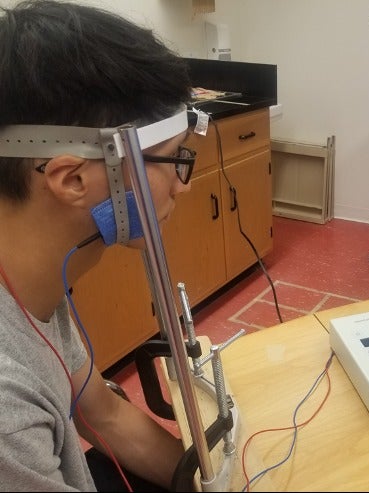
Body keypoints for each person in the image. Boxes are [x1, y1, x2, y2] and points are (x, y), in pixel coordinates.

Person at [0, 1, 197, 490]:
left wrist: (218, 482)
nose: (183, 184)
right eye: (171, 160)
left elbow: (104, 414)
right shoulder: (7, 408)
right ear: (71, 179)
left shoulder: (33, 287)